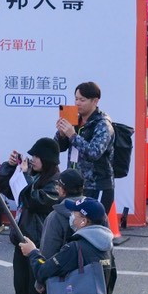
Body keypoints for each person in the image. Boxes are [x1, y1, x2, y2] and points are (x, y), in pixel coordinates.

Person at [0, 137, 63, 294]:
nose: (32, 160)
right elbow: (3, 186)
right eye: (31, 156)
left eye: (36, 157)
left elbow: (33, 200)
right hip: (21, 240)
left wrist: (25, 175)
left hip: (38, 245)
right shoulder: (34, 176)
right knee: (20, 289)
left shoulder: (55, 184)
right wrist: (11, 166)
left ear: (46, 159)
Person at [54, 82, 116, 219]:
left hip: (96, 186)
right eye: (76, 99)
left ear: (95, 101)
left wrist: (73, 135)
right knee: (72, 225)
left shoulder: (103, 124)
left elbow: (94, 153)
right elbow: (58, 148)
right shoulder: (74, 119)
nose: (78, 103)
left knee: (93, 224)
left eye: (82, 100)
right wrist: (61, 134)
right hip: (75, 185)